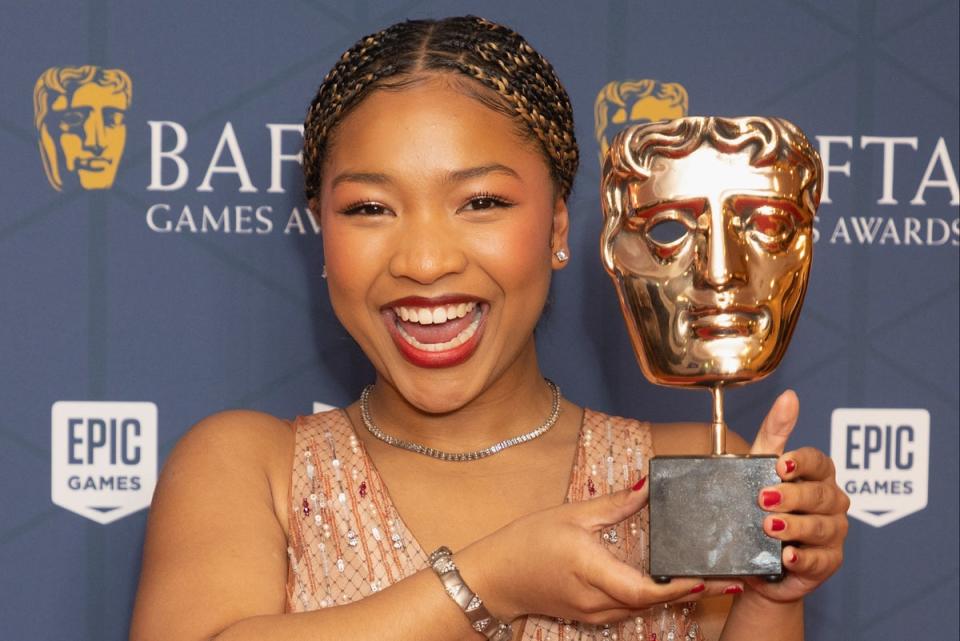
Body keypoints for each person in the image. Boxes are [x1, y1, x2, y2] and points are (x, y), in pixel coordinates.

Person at [130, 16, 848, 641]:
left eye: (479, 201)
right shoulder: (247, 468)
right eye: (369, 209)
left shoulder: (690, 467)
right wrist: (490, 579)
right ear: (321, 234)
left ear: (560, 227)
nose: (424, 260)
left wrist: (772, 596)